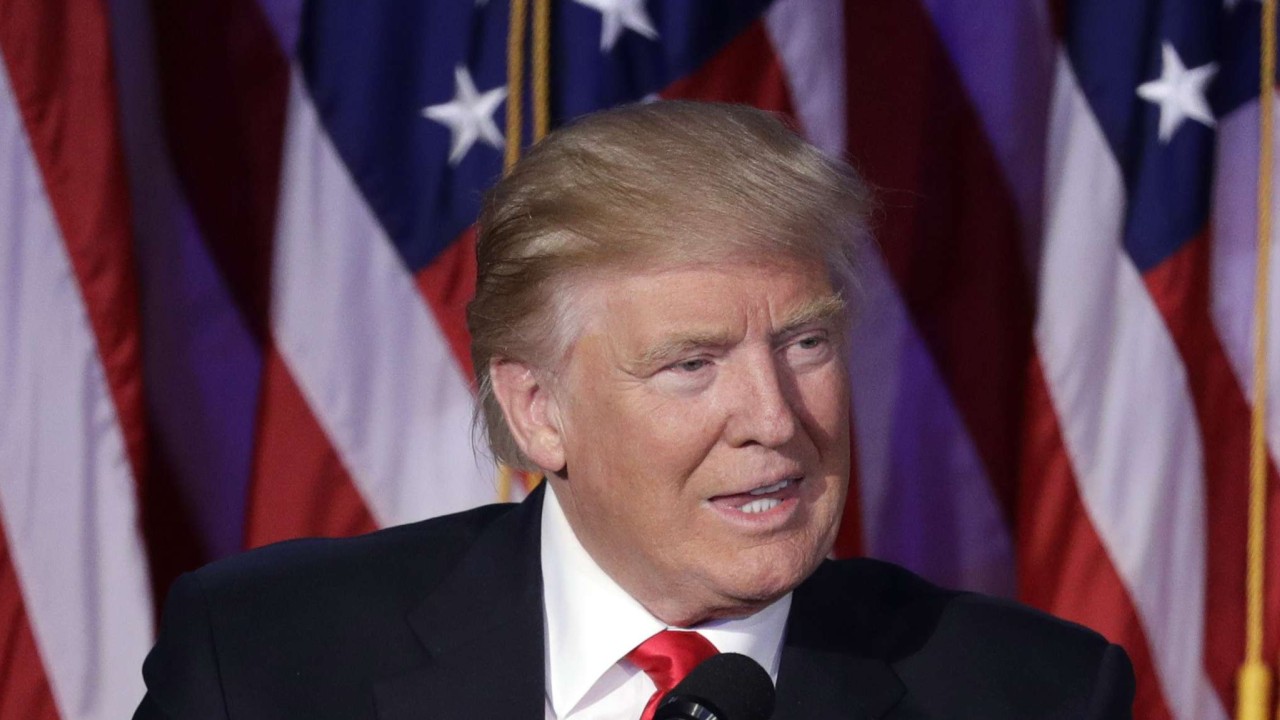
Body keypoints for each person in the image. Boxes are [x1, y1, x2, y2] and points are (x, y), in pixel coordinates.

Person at [133, 101, 1134, 719]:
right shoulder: (265, 659)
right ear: (537, 412)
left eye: (804, 344)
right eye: (690, 364)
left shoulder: (1032, 694)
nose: (774, 420)